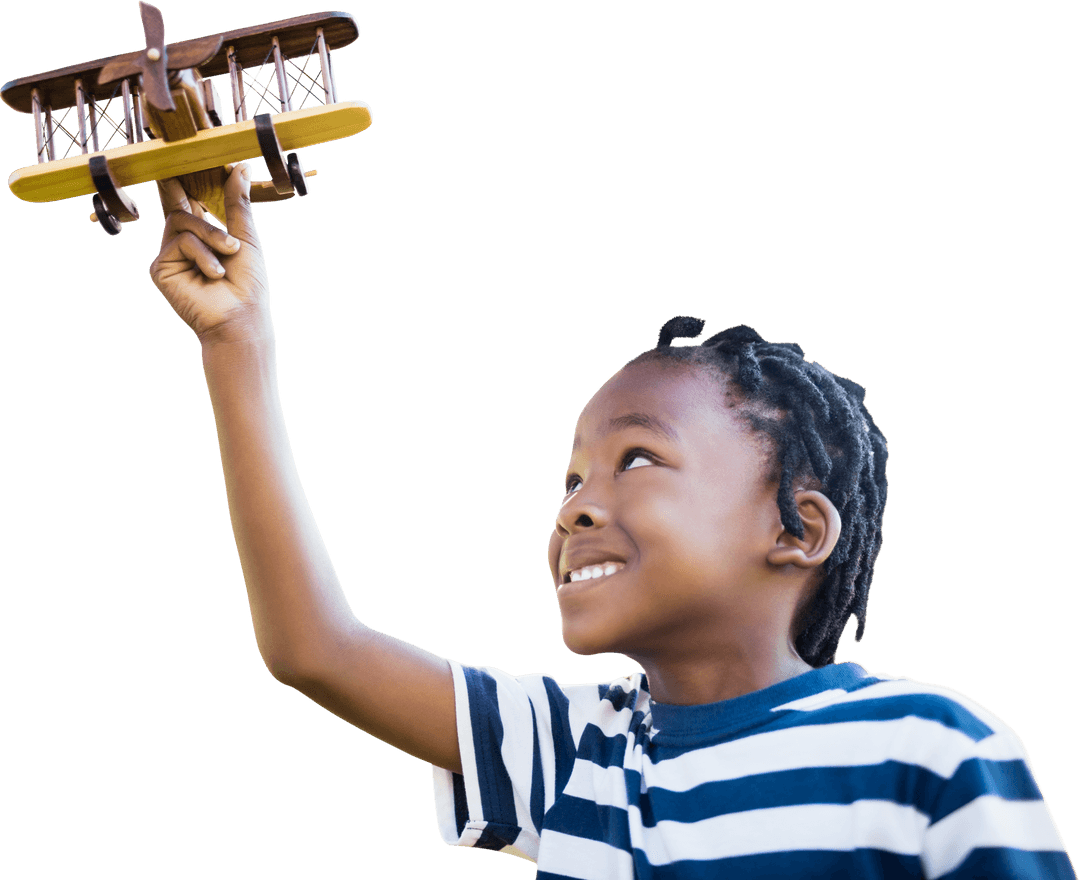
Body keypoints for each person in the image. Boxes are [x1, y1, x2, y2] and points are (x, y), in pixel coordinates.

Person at [150, 164, 1076, 880]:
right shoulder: (570, 753)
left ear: (798, 529)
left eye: (637, 459)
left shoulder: (931, 749)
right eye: (571, 478)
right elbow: (314, 647)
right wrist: (238, 344)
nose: (576, 505)